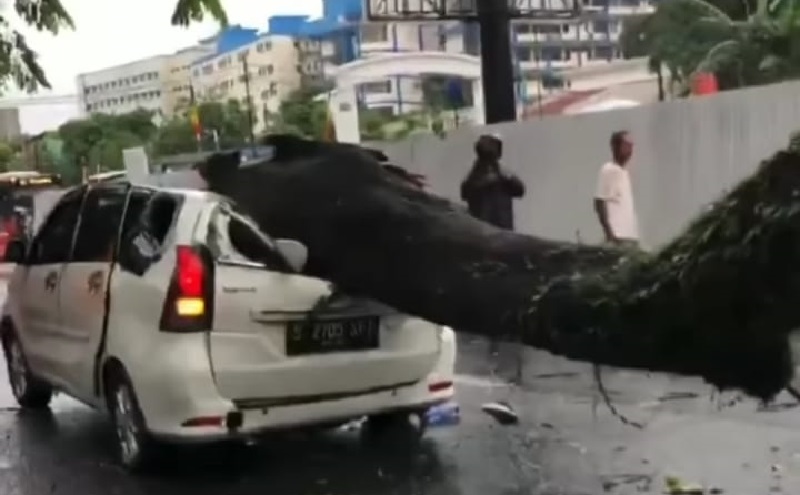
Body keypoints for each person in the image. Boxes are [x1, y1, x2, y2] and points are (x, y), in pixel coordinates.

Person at [460, 134, 525, 230]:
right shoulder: (475, 175)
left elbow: (520, 190)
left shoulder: (502, 173)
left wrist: (508, 177)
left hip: (502, 229)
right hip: (484, 230)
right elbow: (465, 193)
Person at [594, 130, 639, 247]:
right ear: (615, 147)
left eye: (631, 146)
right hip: (619, 237)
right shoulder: (608, 169)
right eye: (626, 145)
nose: (630, 150)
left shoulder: (624, 172)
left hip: (630, 236)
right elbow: (599, 202)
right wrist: (610, 235)